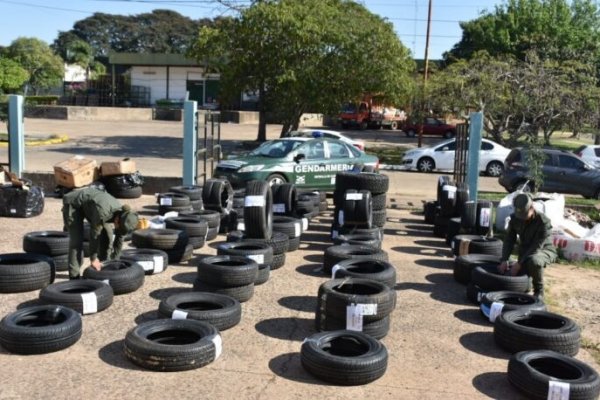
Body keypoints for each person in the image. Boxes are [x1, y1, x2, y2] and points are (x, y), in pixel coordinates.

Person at [62, 187, 139, 280]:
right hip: (74, 204)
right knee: (76, 241)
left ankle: (103, 267)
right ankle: (74, 277)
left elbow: (119, 238)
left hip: (92, 205)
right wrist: (93, 259)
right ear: (117, 220)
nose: (119, 230)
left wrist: (115, 262)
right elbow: (94, 236)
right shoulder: (103, 213)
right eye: (119, 227)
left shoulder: (123, 215)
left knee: (108, 235)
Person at [497, 193, 557, 300]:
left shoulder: (543, 222)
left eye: (525, 214)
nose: (522, 218)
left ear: (531, 208)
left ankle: (539, 291)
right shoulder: (515, 218)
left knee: (534, 261)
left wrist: (519, 263)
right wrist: (504, 259)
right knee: (520, 279)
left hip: (543, 250)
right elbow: (509, 240)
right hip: (525, 250)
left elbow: (536, 247)